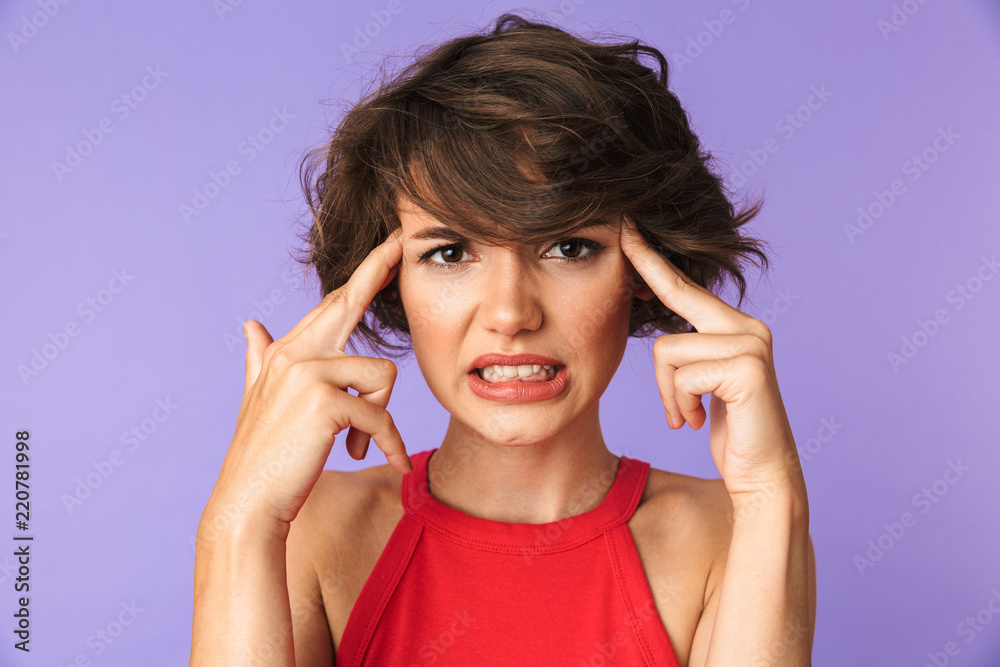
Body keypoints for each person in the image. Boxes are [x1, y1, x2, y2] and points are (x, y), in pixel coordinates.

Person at [190, 12, 816, 666]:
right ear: (388, 277)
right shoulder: (306, 534)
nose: (511, 312)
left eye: (568, 246)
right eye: (451, 251)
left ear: (641, 269)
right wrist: (237, 522)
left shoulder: (729, 535)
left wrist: (774, 493)